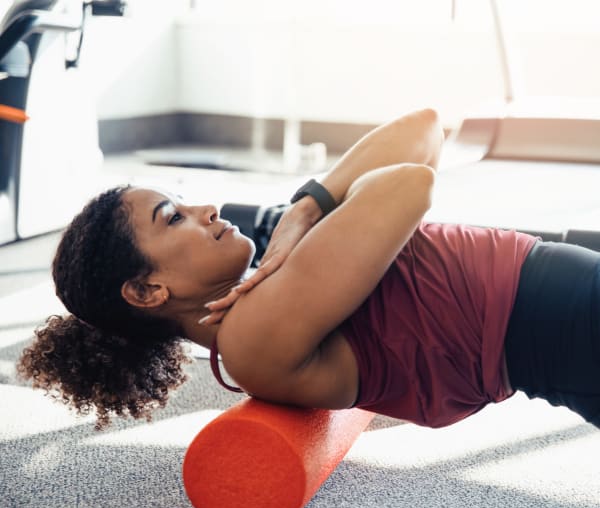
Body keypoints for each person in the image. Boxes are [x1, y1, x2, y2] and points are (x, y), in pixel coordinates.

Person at [17, 108, 600, 430]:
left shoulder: (262, 302)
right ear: (148, 290)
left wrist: (303, 209)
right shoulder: (252, 339)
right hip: (561, 320)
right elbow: (409, 182)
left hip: (558, 316)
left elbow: (423, 128)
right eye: (173, 218)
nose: (206, 209)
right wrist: (310, 213)